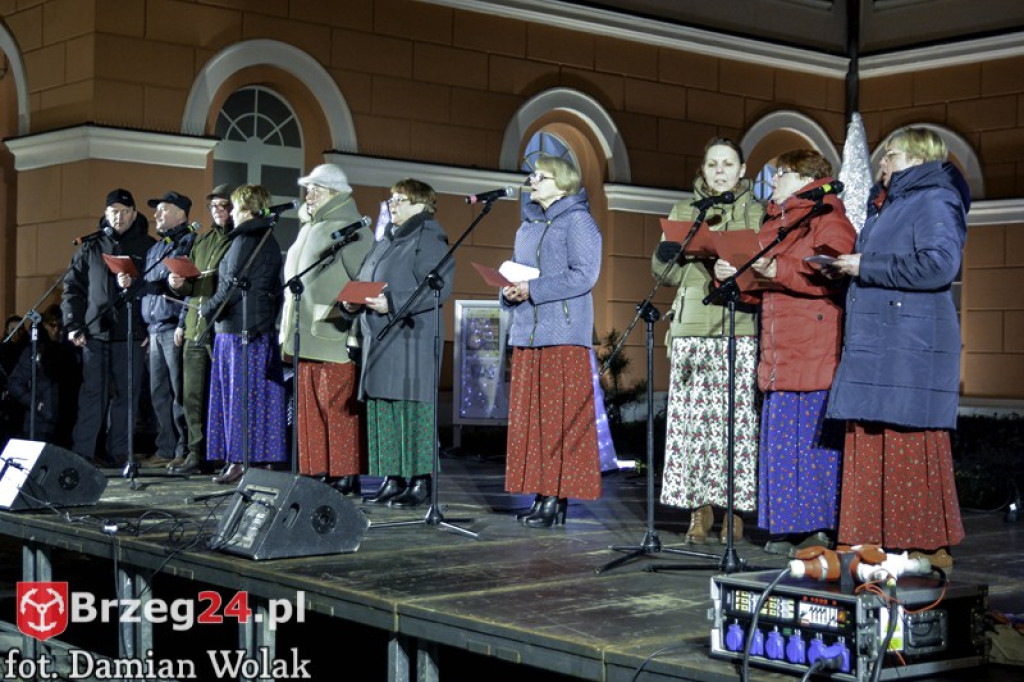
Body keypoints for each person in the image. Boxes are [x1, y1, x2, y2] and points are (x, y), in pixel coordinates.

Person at [827, 128, 968, 570]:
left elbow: (940, 265)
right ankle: (869, 536)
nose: (881, 163)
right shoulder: (888, 203)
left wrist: (866, 265)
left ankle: (924, 541)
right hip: (880, 340)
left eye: (888, 155)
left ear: (912, 157)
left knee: (908, 437)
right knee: (871, 436)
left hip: (909, 344)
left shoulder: (934, 198)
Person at [714, 149, 856, 556]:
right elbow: (762, 284)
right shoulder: (775, 220)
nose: (773, 181)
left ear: (804, 177)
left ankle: (817, 526)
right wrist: (735, 276)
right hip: (777, 347)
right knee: (781, 443)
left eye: (781, 174)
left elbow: (831, 273)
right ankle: (786, 525)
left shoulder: (828, 216)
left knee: (811, 444)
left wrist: (779, 270)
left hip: (813, 345)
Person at [652, 137, 764, 545]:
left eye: (727, 163)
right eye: (712, 164)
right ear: (703, 170)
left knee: (735, 427)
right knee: (693, 428)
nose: (719, 171)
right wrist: (692, 263)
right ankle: (699, 512)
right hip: (692, 329)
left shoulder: (758, 211)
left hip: (739, 329)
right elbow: (660, 267)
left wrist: (734, 270)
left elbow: (767, 268)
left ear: (742, 169)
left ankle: (733, 514)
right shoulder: (684, 210)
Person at [501, 155, 603, 528]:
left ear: (562, 184)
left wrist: (534, 289)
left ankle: (555, 498)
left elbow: (584, 275)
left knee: (559, 421)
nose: (532, 180)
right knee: (533, 421)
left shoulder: (579, 222)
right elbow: (517, 270)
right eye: (532, 174)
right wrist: (510, 292)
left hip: (563, 334)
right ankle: (539, 494)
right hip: (528, 332)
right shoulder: (526, 226)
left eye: (540, 176)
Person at [343, 178, 452, 508]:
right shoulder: (386, 239)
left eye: (401, 199)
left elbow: (438, 287)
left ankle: (420, 480)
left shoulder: (428, 237)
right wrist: (351, 301)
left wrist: (391, 300)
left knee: (411, 409)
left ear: (421, 205)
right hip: (380, 336)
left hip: (410, 337)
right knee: (384, 407)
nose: (393, 204)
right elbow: (365, 278)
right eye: (391, 198)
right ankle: (392, 477)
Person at [281, 164, 373, 494]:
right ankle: (316, 469)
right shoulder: (310, 228)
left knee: (336, 409)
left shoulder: (351, 228)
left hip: (332, 332)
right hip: (305, 333)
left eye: (315, 190)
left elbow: (364, 279)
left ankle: (345, 473)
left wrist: (350, 326)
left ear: (333, 193)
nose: (308, 196)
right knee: (309, 410)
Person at [201, 185, 287, 484]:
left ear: (247, 209)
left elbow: (231, 286)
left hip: (238, 332)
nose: (232, 213)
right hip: (258, 328)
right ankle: (260, 457)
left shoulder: (245, 239)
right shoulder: (268, 238)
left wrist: (207, 310)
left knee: (237, 399)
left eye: (235, 208)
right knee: (258, 398)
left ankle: (239, 459)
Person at [61, 189, 153, 466]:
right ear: (106, 214)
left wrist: (146, 327)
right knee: (92, 394)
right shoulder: (91, 246)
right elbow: (72, 289)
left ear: (134, 214)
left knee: (127, 395)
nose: (119, 216)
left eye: (125, 211)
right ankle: (83, 453)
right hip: (94, 332)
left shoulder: (148, 246)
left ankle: (120, 452)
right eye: (114, 211)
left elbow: (155, 289)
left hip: (131, 333)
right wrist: (73, 324)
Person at [117, 191, 196, 468]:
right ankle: (165, 448)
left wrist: (185, 322)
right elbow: (149, 289)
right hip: (154, 329)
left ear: (180, 213)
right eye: (157, 210)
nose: (156, 215)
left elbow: (189, 287)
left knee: (179, 393)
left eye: (163, 210)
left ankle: (182, 449)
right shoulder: (157, 247)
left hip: (173, 326)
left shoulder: (188, 242)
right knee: (158, 393)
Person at [166, 184, 236, 475]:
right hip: (196, 323)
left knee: (222, 395)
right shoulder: (202, 240)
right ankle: (195, 452)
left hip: (223, 325)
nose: (218, 211)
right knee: (191, 395)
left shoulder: (239, 240)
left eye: (224, 205)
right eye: (214, 206)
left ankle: (223, 454)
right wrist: (177, 286)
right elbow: (192, 283)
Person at [6, 305, 78, 444]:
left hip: (65, 424)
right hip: (40, 425)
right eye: (53, 325)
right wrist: (37, 404)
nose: (57, 330)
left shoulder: (71, 351)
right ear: (45, 325)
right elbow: (14, 382)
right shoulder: (35, 351)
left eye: (61, 326)